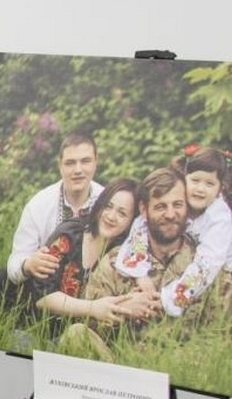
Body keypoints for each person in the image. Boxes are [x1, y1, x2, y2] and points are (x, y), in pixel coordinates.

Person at [65, 168, 192, 359]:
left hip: (179, 372)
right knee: (75, 334)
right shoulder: (116, 262)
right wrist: (124, 310)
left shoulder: (204, 266)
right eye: (160, 207)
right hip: (119, 372)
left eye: (178, 204)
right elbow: (87, 321)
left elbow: (219, 336)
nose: (170, 214)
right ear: (144, 210)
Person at [114, 147, 230, 316]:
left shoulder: (220, 219)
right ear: (184, 179)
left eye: (209, 184)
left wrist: (169, 298)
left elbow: (206, 265)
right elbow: (141, 225)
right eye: (195, 180)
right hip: (191, 264)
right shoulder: (180, 198)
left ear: (220, 189)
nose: (200, 189)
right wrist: (139, 273)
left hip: (222, 275)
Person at [27, 178, 138, 331]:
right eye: (108, 206)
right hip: (38, 329)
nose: (111, 216)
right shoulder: (69, 235)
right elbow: (42, 297)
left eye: (122, 213)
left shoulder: (123, 253)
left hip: (84, 336)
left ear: (132, 222)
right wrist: (92, 308)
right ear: (99, 205)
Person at [5, 132, 104, 284]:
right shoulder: (38, 205)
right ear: (60, 166)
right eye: (70, 163)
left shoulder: (107, 201)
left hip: (94, 281)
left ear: (96, 162)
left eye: (85, 161)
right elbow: (15, 261)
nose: (78, 170)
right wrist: (29, 265)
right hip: (49, 282)